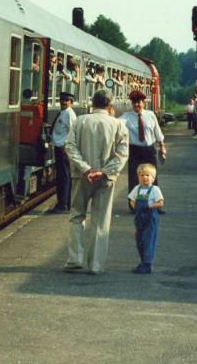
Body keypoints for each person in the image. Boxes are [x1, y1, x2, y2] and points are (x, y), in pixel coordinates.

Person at [63, 89, 129, 275]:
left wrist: (85, 169)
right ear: (110, 106)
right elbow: (122, 154)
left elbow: (70, 147)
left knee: (77, 216)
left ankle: (75, 259)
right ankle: (96, 265)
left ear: (92, 104)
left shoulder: (79, 121)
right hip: (105, 180)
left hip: (81, 177)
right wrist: (104, 171)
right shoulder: (118, 125)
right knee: (100, 222)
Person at [119, 90, 166, 211]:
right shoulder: (126, 117)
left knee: (151, 177)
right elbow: (116, 124)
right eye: (134, 102)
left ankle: (155, 205)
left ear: (144, 103)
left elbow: (157, 132)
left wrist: (162, 146)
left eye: (139, 102)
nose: (136, 105)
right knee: (134, 178)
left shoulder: (150, 115)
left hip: (149, 150)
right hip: (134, 151)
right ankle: (134, 206)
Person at [127, 163, 164, 274]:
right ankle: (143, 261)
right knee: (140, 240)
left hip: (150, 217)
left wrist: (148, 206)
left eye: (147, 175)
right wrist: (136, 208)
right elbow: (132, 200)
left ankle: (147, 264)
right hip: (139, 218)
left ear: (153, 178)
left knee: (148, 240)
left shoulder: (155, 189)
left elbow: (160, 203)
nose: (145, 177)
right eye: (142, 175)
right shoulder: (137, 189)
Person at [50, 92, 77, 213]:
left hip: (63, 149)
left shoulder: (69, 114)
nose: (63, 103)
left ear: (71, 102)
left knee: (64, 177)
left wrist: (66, 145)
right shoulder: (64, 113)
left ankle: (63, 205)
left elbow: (73, 131)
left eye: (66, 101)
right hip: (60, 147)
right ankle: (64, 203)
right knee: (62, 177)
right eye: (62, 101)